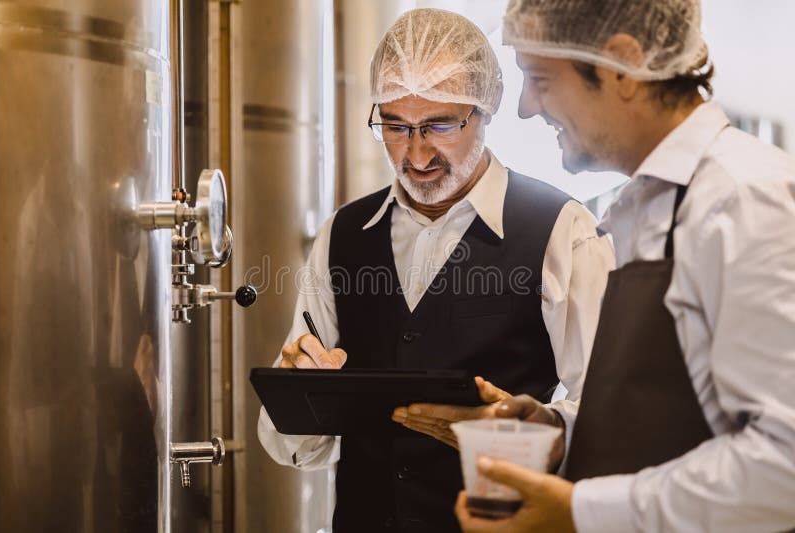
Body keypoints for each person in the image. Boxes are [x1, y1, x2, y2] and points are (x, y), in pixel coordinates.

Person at [256, 8, 614, 532]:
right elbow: (292, 446)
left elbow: (611, 419)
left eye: (440, 124)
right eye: (396, 125)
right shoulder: (342, 235)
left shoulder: (562, 230)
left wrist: (532, 433)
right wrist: (300, 392)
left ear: (485, 109)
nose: (417, 152)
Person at [447, 1, 795, 532]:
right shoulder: (649, 206)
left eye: (539, 78)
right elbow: (680, 417)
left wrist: (579, 512)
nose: (524, 107)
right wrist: (562, 428)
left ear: (621, 65)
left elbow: (783, 464)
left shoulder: (745, 200)